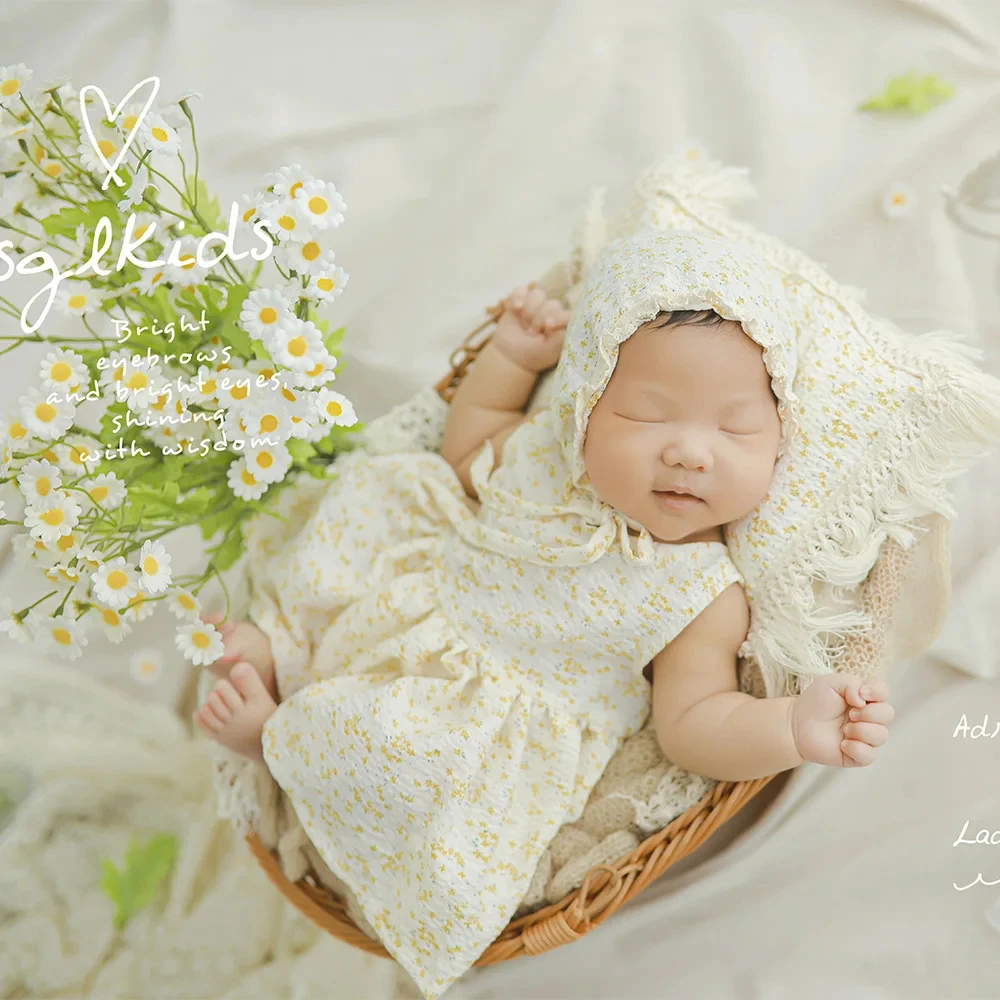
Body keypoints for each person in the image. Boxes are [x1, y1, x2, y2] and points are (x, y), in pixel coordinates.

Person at [192, 229, 894, 1000]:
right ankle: (280, 646)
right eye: (648, 415)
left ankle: (275, 738)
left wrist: (794, 728)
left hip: (467, 713)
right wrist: (513, 358)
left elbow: (695, 720)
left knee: (394, 751)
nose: (691, 452)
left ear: (780, 446)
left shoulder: (700, 590)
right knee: (362, 501)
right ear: (587, 406)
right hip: (416, 596)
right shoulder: (547, 459)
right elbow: (467, 446)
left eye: (734, 429)